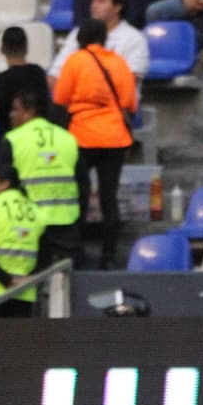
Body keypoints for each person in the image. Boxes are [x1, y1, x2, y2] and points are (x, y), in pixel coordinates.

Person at [53, 20, 138, 270]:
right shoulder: (119, 62)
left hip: (82, 136)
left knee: (79, 195)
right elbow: (130, 102)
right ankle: (109, 256)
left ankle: (76, 254)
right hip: (114, 136)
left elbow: (60, 97)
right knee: (108, 198)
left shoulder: (75, 61)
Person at [0, 91, 82, 270]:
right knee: (68, 284)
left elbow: (1, 185)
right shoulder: (68, 138)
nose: (12, 115)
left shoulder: (13, 140)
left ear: (29, 112)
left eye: (15, 110)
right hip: (66, 222)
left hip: (29, 224)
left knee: (31, 283)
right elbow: (83, 183)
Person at [0, 162, 45, 317]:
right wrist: (27, 279)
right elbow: (45, 255)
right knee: (15, 341)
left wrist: (6, 280)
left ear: (5, 184)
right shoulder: (37, 212)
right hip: (24, 293)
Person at [49, 0, 149, 88]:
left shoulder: (134, 38)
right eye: (93, 1)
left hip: (116, 103)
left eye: (101, 1)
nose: (94, 6)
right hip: (77, 102)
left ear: (118, 7)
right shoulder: (78, 33)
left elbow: (130, 79)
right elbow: (54, 75)